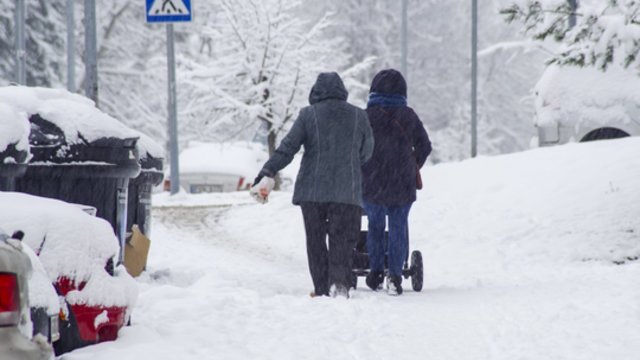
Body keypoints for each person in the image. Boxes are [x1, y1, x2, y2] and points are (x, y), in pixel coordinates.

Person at [251, 72, 374, 298]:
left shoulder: (308, 115)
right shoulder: (359, 116)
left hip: (313, 191)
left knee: (315, 240)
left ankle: (321, 287)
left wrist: (268, 169)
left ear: (315, 93)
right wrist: (349, 164)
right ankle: (339, 285)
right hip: (347, 191)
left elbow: (288, 148)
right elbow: (367, 151)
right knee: (342, 240)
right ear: (342, 91)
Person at [361, 69, 432, 296]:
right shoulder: (408, 116)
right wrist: (413, 166)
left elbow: (355, 148)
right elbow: (425, 146)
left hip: (372, 181)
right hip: (402, 182)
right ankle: (394, 275)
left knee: (375, 225)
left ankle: (375, 271)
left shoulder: (366, 117)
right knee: (399, 226)